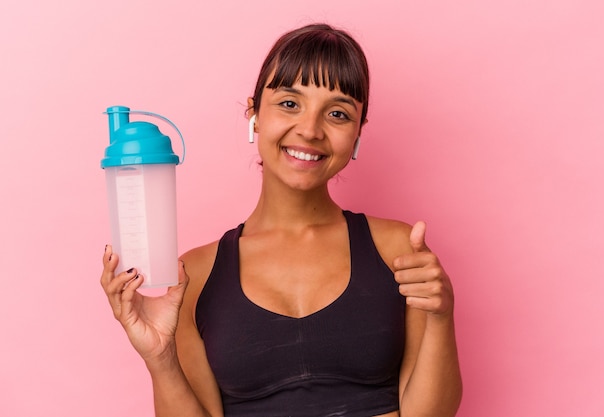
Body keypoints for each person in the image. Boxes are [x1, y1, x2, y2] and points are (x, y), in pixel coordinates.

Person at [100, 23, 462, 417]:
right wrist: (160, 357)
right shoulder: (195, 275)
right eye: (290, 103)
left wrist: (441, 315)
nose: (309, 130)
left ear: (358, 134)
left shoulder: (398, 251)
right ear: (254, 114)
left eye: (338, 113)